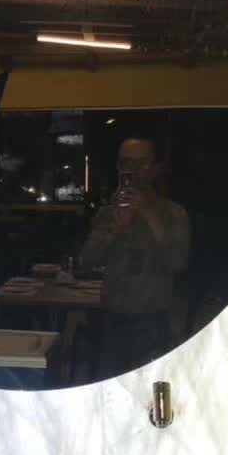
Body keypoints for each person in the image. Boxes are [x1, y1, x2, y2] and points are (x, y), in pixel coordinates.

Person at [78, 138, 190, 377]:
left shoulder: (174, 213)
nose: (133, 170)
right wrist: (115, 230)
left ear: (155, 168)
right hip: (111, 322)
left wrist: (147, 213)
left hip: (154, 324)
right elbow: (85, 263)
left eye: (142, 163)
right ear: (118, 167)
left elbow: (178, 261)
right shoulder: (109, 212)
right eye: (126, 163)